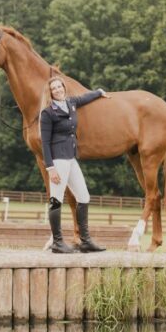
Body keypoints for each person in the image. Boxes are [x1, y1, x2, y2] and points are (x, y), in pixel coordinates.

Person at [39, 77, 109, 253]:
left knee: (83, 196)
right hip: (58, 160)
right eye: (53, 88)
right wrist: (50, 168)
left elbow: (84, 98)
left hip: (71, 157)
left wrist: (99, 92)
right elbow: (45, 143)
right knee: (56, 200)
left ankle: (85, 241)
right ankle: (57, 242)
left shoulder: (70, 103)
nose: (57, 90)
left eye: (59, 86)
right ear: (50, 92)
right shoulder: (48, 113)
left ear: (64, 87)